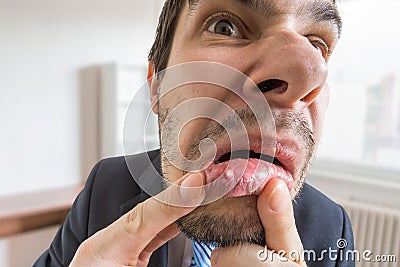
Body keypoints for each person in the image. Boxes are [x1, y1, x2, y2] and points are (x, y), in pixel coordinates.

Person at [34, 0, 355, 266]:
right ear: (157, 87)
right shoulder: (103, 189)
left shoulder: (333, 230)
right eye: (225, 27)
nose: (307, 70)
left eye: (317, 44)